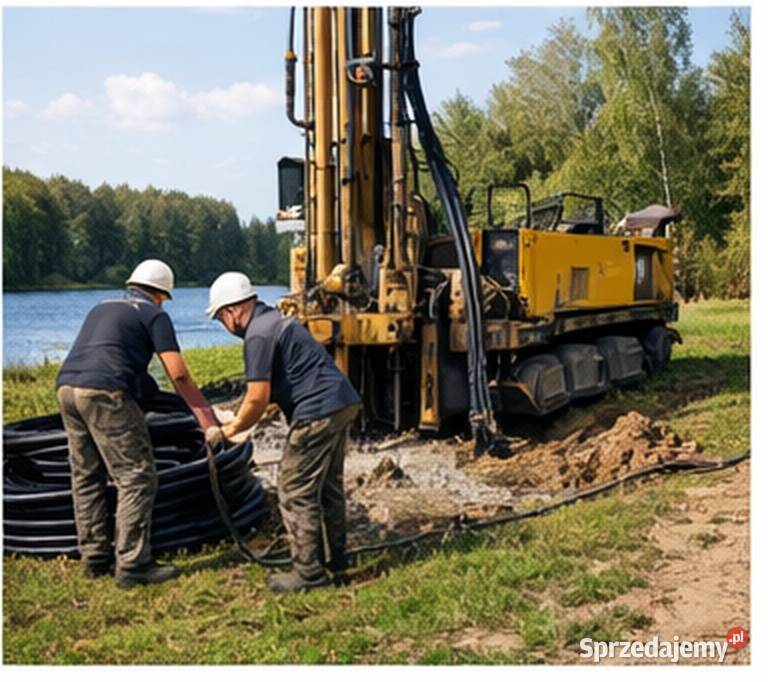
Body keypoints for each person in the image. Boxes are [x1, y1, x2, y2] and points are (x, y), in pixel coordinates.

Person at [56, 259, 219, 588]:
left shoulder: (102, 306)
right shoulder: (154, 314)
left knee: (87, 475)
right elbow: (179, 374)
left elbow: (114, 355)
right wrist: (206, 417)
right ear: (161, 294)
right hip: (105, 392)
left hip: (67, 389)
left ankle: (95, 557)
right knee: (136, 476)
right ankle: (133, 565)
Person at [205, 272, 361, 593]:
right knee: (328, 487)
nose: (224, 325)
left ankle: (308, 573)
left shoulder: (257, 335)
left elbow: (257, 398)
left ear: (233, 311)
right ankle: (337, 559)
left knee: (293, 489)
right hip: (342, 401)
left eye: (221, 317)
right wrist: (240, 413)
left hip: (316, 410)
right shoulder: (277, 320)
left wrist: (230, 429)